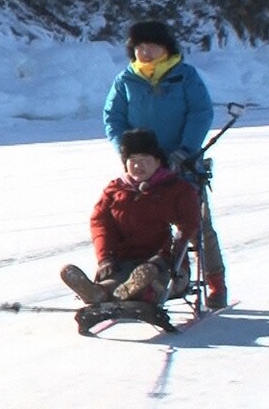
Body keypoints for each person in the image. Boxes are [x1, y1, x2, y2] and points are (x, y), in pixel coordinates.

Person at [103, 20, 227, 308]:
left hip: (182, 165)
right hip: (141, 166)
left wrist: (185, 150)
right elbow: (113, 119)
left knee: (197, 226)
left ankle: (216, 283)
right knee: (135, 223)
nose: (145, 52)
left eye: (151, 46)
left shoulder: (185, 76)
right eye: (139, 47)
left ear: (166, 48)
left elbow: (200, 113)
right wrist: (128, 152)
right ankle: (135, 280)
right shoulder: (125, 80)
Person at [60, 129, 201, 307]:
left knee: (153, 280)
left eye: (144, 159)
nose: (137, 166)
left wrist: (162, 259)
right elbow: (101, 225)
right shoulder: (115, 190)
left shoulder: (177, 190)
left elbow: (187, 225)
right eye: (132, 160)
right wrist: (105, 258)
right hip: (125, 262)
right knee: (117, 280)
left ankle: (139, 292)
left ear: (158, 161)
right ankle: (99, 292)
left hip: (167, 266)